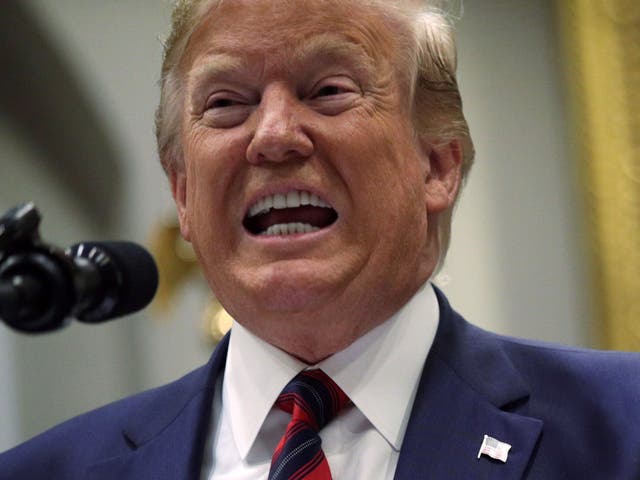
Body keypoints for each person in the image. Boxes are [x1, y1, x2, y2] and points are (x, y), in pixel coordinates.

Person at [1, 0, 639, 478]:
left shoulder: (623, 427)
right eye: (226, 103)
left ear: (438, 167)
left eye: (329, 91)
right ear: (183, 194)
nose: (274, 134)